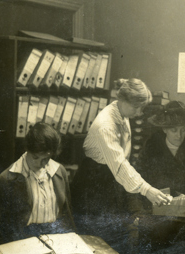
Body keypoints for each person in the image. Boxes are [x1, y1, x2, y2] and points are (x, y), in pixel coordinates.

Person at [71, 78, 171, 223]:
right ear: (123, 100)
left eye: (142, 108)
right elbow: (119, 164)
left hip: (111, 178)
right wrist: (147, 190)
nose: (139, 113)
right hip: (95, 183)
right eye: (136, 107)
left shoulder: (121, 112)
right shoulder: (106, 125)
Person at [0, 123, 74, 249]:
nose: (39, 164)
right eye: (35, 157)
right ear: (27, 150)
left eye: (46, 158)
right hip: (22, 242)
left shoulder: (59, 172)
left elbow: (66, 214)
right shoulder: (7, 179)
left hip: (55, 238)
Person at [139, 101, 185, 197]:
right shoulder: (151, 149)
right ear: (164, 129)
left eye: (183, 130)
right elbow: (140, 181)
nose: (179, 136)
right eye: (174, 130)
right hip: (158, 204)